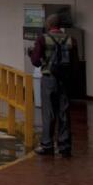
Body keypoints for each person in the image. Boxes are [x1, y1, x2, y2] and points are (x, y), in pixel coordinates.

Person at [29, 14, 77, 157]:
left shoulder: (43, 39)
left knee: (48, 112)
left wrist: (33, 54)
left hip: (49, 78)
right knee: (64, 112)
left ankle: (47, 144)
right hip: (65, 80)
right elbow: (75, 63)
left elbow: (36, 61)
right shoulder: (71, 40)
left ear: (48, 25)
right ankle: (65, 146)